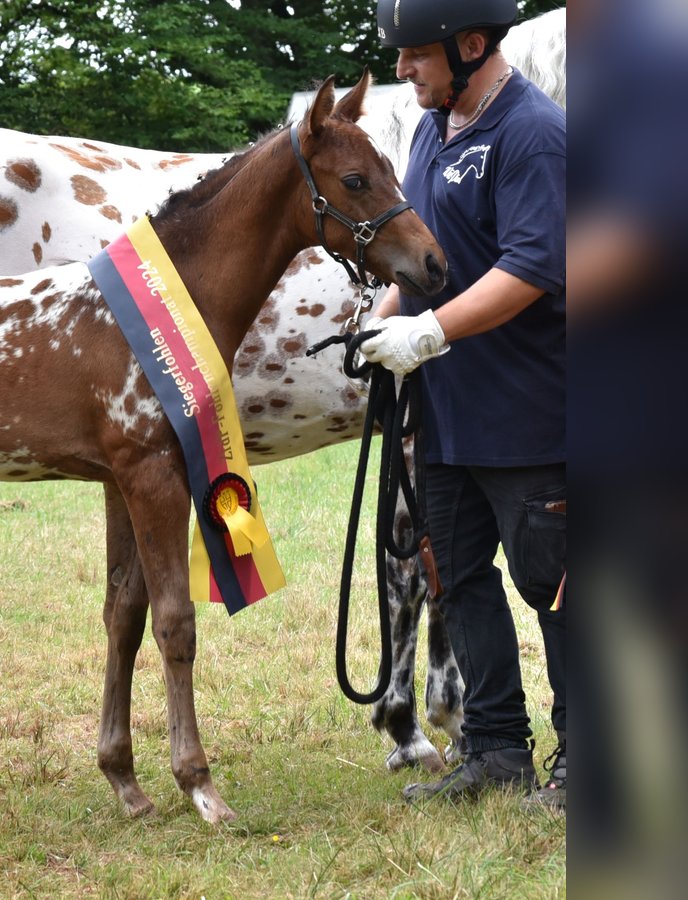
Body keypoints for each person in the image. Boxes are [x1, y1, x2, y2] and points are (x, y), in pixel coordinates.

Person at [361, 0, 565, 809]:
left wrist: (429, 333)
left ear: (470, 45)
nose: (404, 70)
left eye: (415, 55)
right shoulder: (430, 132)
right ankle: (495, 752)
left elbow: (532, 267)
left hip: (530, 414)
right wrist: (377, 325)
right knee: (459, 583)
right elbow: (418, 259)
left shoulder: (533, 134)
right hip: (444, 417)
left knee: (555, 589)